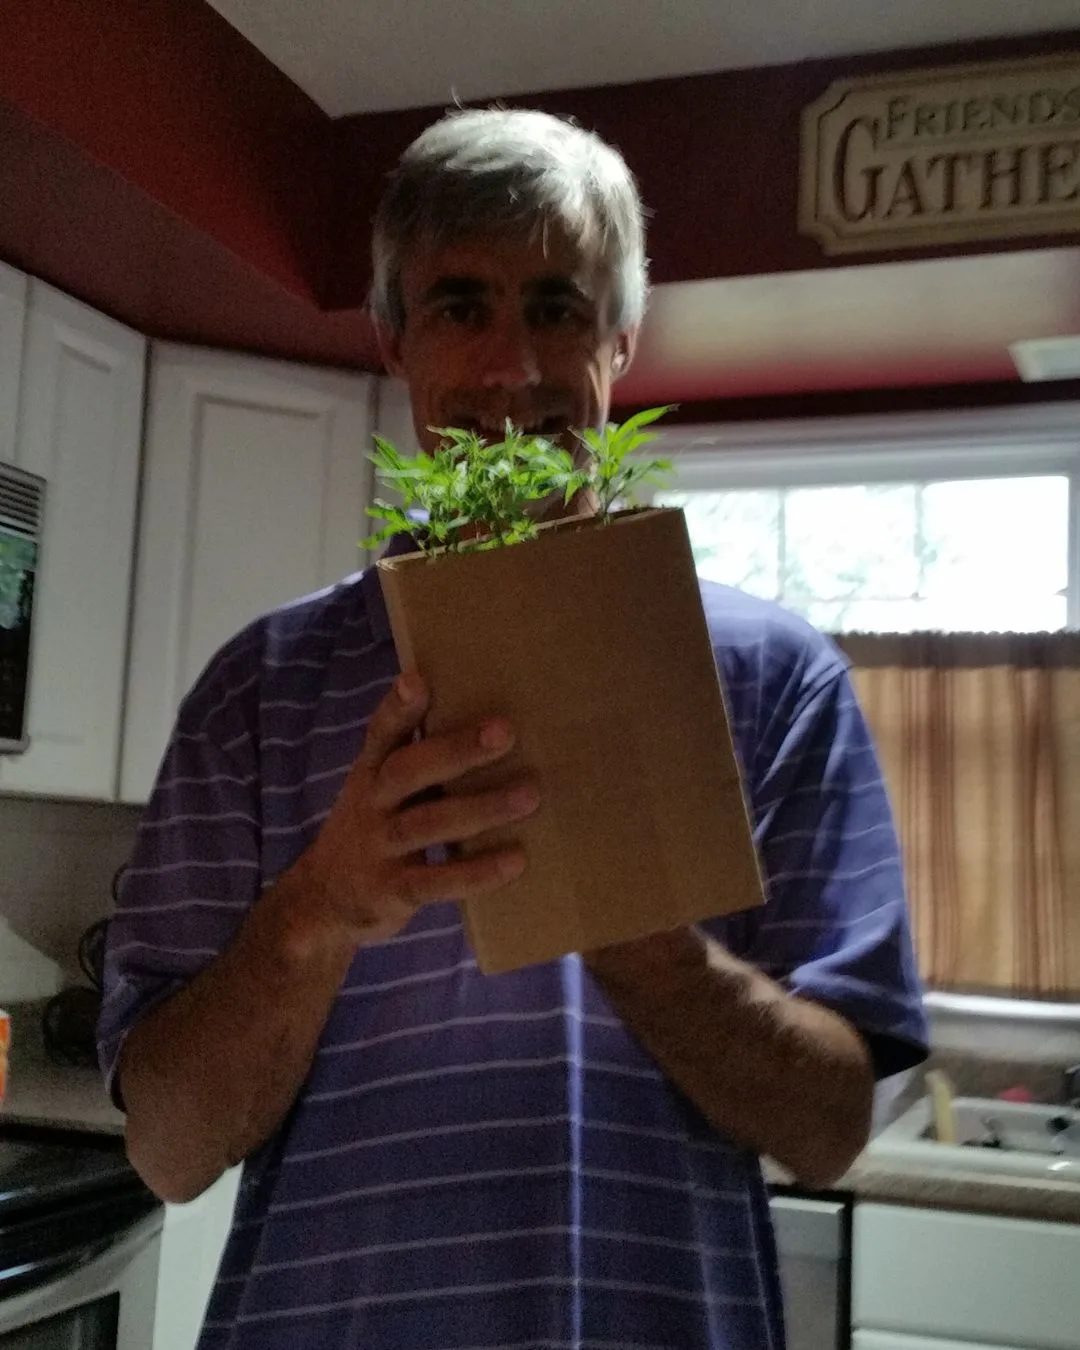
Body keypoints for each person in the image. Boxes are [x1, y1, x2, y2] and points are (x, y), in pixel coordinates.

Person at [99, 108, 928, 1350]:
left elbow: (829, 1132)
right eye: (459, 307)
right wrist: (320, 906)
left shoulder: (780, 680)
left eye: (557, 307)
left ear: (622, 339)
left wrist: (650, 939)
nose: (511, 369)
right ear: (392, 339)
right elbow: (167, 1152)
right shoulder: (259, 687)